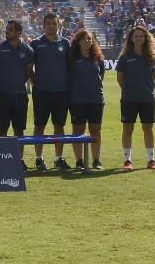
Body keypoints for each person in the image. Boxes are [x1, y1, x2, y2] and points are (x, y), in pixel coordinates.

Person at [0, 20, 34, 168]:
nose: (7, 31)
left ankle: (19, 160)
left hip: (20, 95)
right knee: (2, 129)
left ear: (19, 32)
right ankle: (2, 159)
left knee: (19, 129)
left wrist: (18, 84)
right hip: (2, 95)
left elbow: (28, 72)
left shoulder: (28, 50)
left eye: (11, 29)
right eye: (7, 29)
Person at [29, 13, 72, 170]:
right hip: (42, 92)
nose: (51, 26)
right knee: (39, 125)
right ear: (43, 25)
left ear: (59, 24)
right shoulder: (36, 44)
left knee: (59, 125)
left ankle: (58, 158)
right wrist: (35, 83)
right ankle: (39, 159)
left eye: (54, 23)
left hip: (61, 92)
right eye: (48, 23)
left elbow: (70, 68)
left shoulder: (66, 44)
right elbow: (29, 67)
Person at [116, 26, 155, 170]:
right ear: (131, 38)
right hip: (129, 98)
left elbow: (153, 77)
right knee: (128, 128)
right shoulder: (125, 57)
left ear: (146, 37)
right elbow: (120, 78)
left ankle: (151, 160)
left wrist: (145, 89)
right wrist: (129, 90)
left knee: (148, 128)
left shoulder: (152, 56)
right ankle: (127, 160)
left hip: (147, 98)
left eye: (141, 36)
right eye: (136, 36)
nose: (139, 38)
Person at [68, 29, 106, 170]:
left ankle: (96, 160)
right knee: (78, 130)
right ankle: (79, 161)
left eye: (89, 39)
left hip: (96, 99)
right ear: (78, 41)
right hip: (77, 99)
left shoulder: (98, 57)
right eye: (84, 39)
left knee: (95, 129)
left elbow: (101, 75)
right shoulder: (72, 58)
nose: (87, 41)